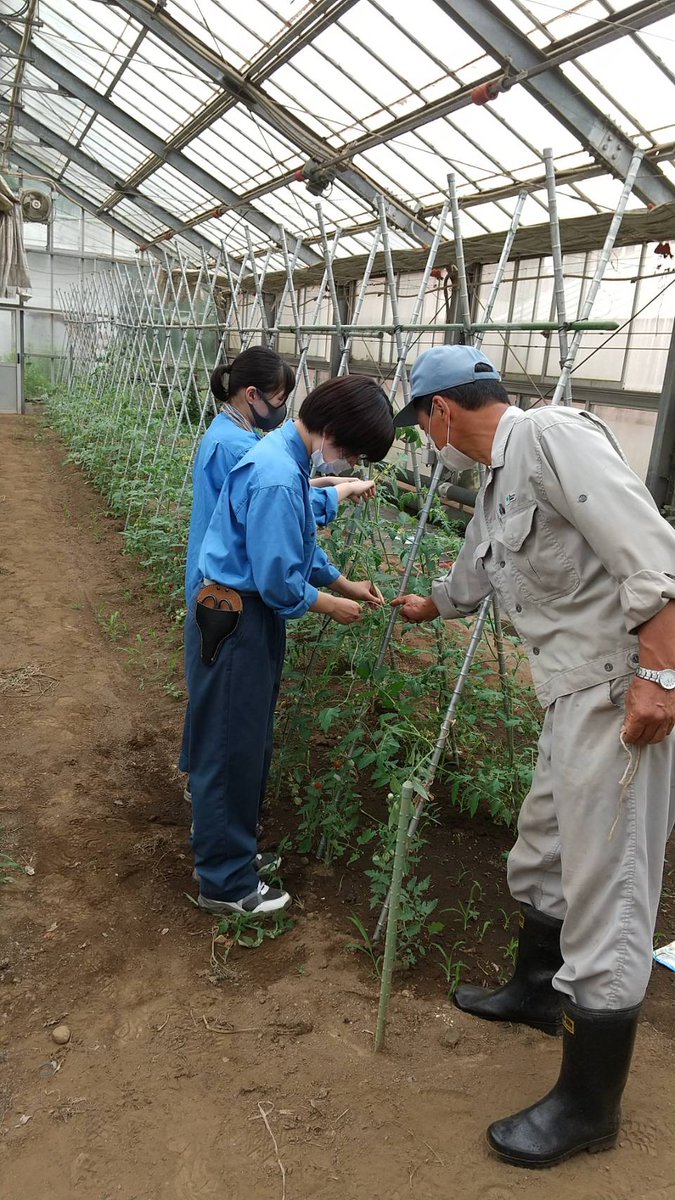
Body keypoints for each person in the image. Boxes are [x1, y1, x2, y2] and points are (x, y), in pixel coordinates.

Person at [392, 343, 675, 1168]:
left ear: (439, 411)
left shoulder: (551, 437)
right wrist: (427, 605)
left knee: (609, 885)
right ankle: (532, 993)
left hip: (620, 694)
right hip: (568, 695)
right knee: (545, 846)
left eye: (420, 423)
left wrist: (659, 678)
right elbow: (478, 572)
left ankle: (589, 1107)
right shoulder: (497, 478)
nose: (424, 438)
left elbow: (654, 559)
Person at [185, 375, 395, 917]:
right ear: (331, 430)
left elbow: (298, 542)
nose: (347, 463)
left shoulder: (285, 459)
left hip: (245, 616)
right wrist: (331, 605)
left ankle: (234, 856)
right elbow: (278, 579)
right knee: (231, 748)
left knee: (245, 742)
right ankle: (225, 883)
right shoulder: (278, 474)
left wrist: (343, 583)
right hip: (240, 619)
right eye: (351, 450)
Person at [180, 347, 377, 803]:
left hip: (223, 589)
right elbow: (279, 528)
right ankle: (215, 817)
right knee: (228, 722)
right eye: (279, 397)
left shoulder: (241, 437)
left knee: (219, 710)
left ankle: (209, 799)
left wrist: (334, 487)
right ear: (253, 395)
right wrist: (331, 596)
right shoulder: (240, 447)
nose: (284, 408)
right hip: (233, 598)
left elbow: (289, 511)